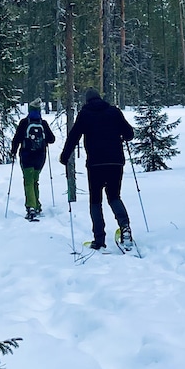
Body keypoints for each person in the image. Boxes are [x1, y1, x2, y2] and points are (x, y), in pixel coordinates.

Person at [61, 87, 135, 249]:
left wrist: (65, 156)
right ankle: (125, 228)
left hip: (95, 164)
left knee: (96, 201)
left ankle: (99, 239)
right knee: (114, 196)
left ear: (87, 101)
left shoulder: (85, 114)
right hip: (116, 162)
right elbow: (129, 134)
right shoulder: (114, 112)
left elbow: (73, 137)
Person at [11, 105, 54, 221]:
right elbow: (52, 139)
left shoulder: (24, 123)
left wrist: (13, 151)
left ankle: (31, 207)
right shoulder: (43, 123)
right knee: (35, 181)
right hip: (40, 157)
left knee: (28, 181)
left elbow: (17, 138)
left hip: (27, 156)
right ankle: (36, 205)